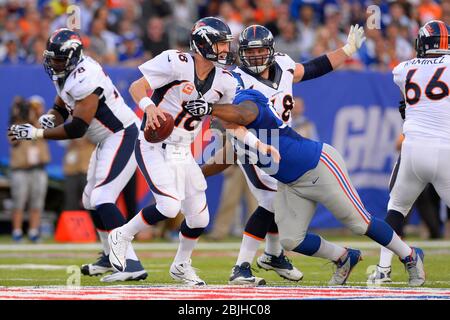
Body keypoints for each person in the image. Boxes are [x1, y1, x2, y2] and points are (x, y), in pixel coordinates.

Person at [182, 91, 426, 287]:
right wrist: (194, 173)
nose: (212, 119)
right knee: (290, 240)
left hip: (319, 166)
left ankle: (410, 255)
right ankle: (343, 257)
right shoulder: (235, 135)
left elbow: (244, 114)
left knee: (360, 223)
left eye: (213, 111)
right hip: (291, 184)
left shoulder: (248, 100)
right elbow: (223, 159)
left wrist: (210, 106)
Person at [201, 24, 367, 286]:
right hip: (253, 142)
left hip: (281, 143)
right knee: (269, 201)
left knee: (277, 200)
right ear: (240, 53)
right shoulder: (234, 79)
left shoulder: (284, 64)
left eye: (260, 52)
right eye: (250, 53)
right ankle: (242, 266)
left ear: (271, 51)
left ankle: (274, 254)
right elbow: (227, 118)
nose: (255, 57)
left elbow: (313, 68)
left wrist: (347, 50)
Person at [107, 17, 239, 286]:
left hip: (182, 150)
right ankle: (121, 235)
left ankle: (180, 265)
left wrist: (241, 134)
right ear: (203, 43)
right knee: (168, 206)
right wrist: (149, 107)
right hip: (153, 144)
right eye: (220, 43)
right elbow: (137, 86)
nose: (225, 49)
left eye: (226, 44)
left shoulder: (225, 81)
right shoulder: (175, 61)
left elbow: (225, 118)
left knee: (199, 217)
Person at [8, 28, 146, 283]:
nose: (53, 63)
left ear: (72, 58)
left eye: (58, 59)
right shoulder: (66, 73)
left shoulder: (86, 77)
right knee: (89, 200)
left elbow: (77, 127)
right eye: (51, 58)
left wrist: (36, 134)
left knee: (103, 196)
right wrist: (51, 118)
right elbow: (61, 106)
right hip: (105, 139)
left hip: (122, 134)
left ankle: (130, 262)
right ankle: (108, 255)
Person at [369, 20, 450, 284]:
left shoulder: (404, 69)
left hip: (413, 150)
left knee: (395, 208)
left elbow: (408, 100)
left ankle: (382, 270)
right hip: (444, 149)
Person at [8, 96, 50, 243]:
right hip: (21, 169)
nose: (34, 109)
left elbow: (46, 134)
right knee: (19, 201)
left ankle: (33, 231)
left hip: (39, 168)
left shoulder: (42, 123)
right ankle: (17, 231)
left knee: (37, 202)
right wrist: (19, 117)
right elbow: (13, 140)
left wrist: (33, 120)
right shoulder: (17, 123)